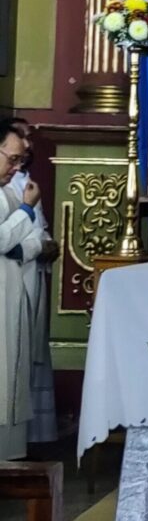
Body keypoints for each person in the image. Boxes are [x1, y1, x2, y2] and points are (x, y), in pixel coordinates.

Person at [7, 119, 58, 445]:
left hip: (28, 277)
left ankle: (23, 441)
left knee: (26, 354)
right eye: (18, 142)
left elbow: (37, 230)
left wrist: (46, 243)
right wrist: (38, 244)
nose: (26, 148)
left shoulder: (24, 181)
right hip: (13, 273)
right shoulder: (11, 188)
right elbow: (8, 240)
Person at [0, 119, 41, 459]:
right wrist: (26, 210)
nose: (15, 169)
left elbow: (33, 238)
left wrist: (23, 246)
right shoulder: (16, 198)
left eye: (19, 162)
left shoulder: (7, 192)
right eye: (11, 159)